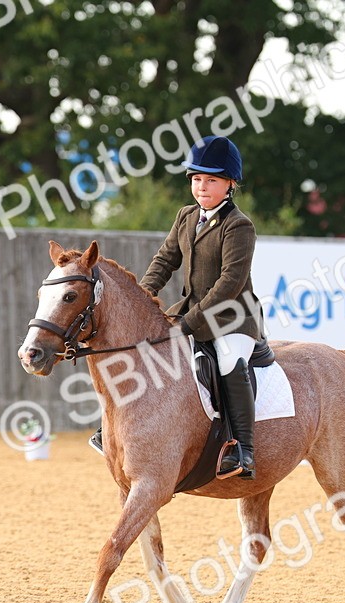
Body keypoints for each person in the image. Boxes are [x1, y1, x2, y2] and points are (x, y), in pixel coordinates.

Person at [89, 135, 262, 480]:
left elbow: (230, 282)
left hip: (232, 319)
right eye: (197, 179)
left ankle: (243, 448)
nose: (202, 187)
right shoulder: (186, 216)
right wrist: (140, 300)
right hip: (189, 312)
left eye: (211, 180)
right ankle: (109, 430)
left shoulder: (238, 225)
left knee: (229, 362)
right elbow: (164, 260)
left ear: (230, 184)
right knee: (145, 351)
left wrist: (190, 323)